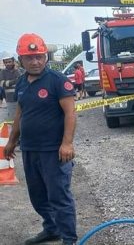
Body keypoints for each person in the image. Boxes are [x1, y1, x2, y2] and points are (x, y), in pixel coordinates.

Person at [3, 33, 78, 245]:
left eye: (39, 57)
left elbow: (70, 113)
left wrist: (67, 143)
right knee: (37, 195)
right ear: (21, 60)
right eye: (29, 57)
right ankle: (51, 228)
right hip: (29, 149)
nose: (35, 61)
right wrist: (11, 141)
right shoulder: (21, 83)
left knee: (59, 196)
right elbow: (20, 114)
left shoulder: (57, 81)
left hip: (53, 151)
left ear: (46, 58)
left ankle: (69, 239)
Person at [0, 51, 22, 119]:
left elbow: (22, 81)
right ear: (4, 63)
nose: (8, 64)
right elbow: (2, 83)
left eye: (9, 61)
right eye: (6, 62)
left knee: (23, 118)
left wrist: (16, 71)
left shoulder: (19, 70)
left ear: (13, 61)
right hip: (10, 100)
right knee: (13, 119)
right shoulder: (3, 72)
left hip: (21, 99)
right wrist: (15, 81)